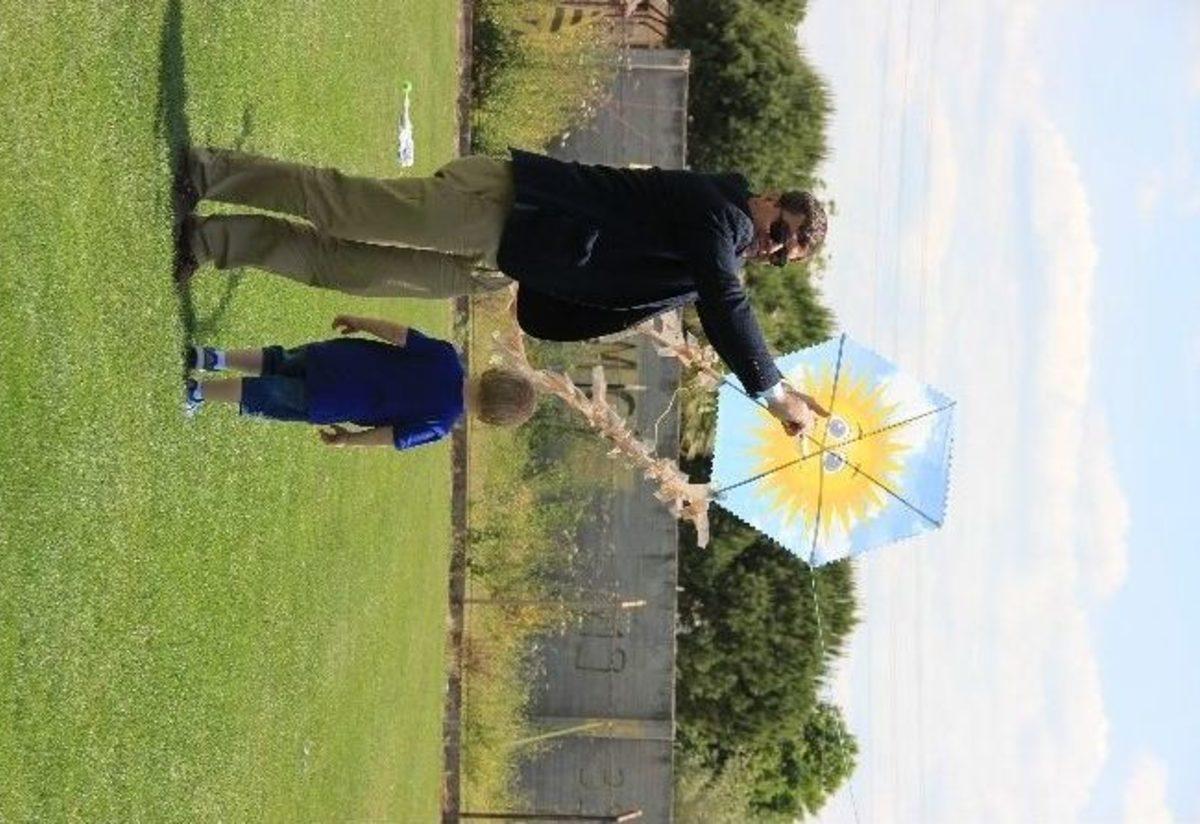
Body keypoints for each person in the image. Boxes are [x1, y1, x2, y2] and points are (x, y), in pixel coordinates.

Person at [174, 148, 829, 435]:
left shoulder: (715, 255)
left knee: (341, 268)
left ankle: (209, 242)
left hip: (504, 262)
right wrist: (774, 392)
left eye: (783, 254)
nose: (771, 247)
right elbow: (724, 300)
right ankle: (208, 172)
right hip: (506, 209)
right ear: (770, 199)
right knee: (344, 208)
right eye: (782, 231)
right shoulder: (720, 212)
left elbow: (681, 291)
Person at [182, 313, 536, 450]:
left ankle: (213, 358)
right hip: (334, 400)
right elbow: (390, 436)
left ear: (493, 375)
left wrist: (362, 322)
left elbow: (400, 334)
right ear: (490, 417)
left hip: (339, 357)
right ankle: (198, 392)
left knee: (279, 360)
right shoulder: (439, 424)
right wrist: (349, 440)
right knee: (269, 394)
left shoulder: (446, 355)